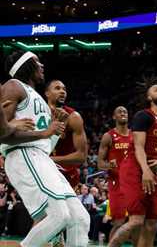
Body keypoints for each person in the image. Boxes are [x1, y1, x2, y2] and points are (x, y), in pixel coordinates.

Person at [0, 51, 90, 247]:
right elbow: (2, 134)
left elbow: (45, 146)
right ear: (26, 65)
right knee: (59, 216)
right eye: (37, 62)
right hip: (23, 155)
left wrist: (54, 133)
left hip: (40, 157)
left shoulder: (37, 97)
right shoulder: (13, 86)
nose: (42, 66)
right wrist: (44, 133)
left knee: (81, 219)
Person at [109, 85, 157, 247]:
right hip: (134, 170)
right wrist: (145, 171)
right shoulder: (143, 116)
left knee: (152, 223)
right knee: (136, 220)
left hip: (150, 173)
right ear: (149, 98)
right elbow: (138, 146)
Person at [97, 106, 133, 242]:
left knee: (136, 221)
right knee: (119, 222)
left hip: (132, 183)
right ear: (114, 117)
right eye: (120, 112)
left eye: (125, 111)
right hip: (116, 184)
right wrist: (109, 165)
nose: (123, 113)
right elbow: (100, 163)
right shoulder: (109, 136)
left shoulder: (133, 135)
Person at [46, 80, 88, 188]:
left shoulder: (74, 117)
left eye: (64, 89)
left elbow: (81, 156)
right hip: (42, 171)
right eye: (57, 88)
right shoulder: (38, 114)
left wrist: (50, 160)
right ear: (47, 93)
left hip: (66, 175)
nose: (62, 92)